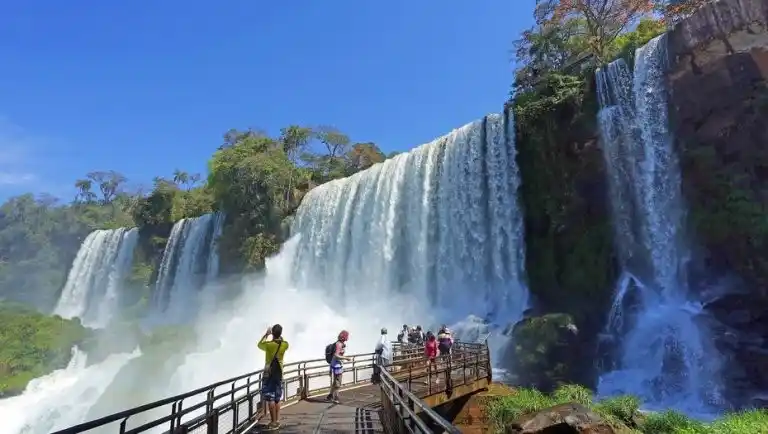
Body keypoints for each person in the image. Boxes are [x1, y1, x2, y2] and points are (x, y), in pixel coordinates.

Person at [257, 324, 289, 430]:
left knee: (270, 397)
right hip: (279, 373)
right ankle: (277, 420)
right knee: (277, 398)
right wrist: (278, 336)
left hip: (269, 373)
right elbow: (283, 341)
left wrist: (266, 334)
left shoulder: (268, 345)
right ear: (280, 333)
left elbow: (259, 344)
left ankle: (273, 422)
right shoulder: (284, 344)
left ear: (273, 333)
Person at [327, 330, 351, 404]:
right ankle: (336, 398)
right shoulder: (339, 344)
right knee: (338, 383)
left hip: (334, 365)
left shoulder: (338, 343)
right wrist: (346, 358)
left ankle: (330, 395)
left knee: (335, 382)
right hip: (337, 366)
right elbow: (336, 355)